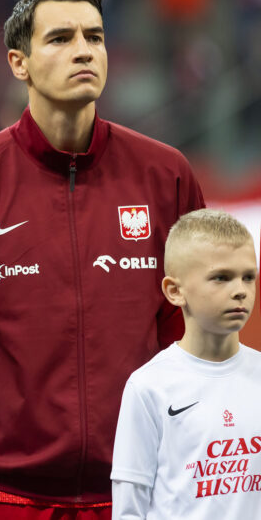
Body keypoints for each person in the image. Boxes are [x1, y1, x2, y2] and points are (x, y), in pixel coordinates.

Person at [0, 0, 206, 517]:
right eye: (61, 37)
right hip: (5, 497)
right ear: (19, 63)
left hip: (139, 494)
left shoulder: (167, 178)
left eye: (95, 36)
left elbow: (189, 337)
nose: (84, 50)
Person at [111, 208, 261, 518]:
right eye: (221, 277)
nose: (240, 291)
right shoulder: (148, 387)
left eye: (249, 277)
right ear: (175, 291)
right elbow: (129, 508)